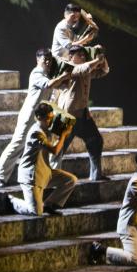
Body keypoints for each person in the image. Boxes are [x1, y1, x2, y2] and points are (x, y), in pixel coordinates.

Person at [0, 49, 74, 187]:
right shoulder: (36, 73)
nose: (48, 62)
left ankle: (49, 178)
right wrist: (63, 76)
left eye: (50, 59)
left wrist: (66, 77)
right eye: (45, 59)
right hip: (29, 116)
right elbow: (49, 84)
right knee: (18, 143)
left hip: (42, 118)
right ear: (38, 60)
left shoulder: (49, 75)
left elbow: (61, 85)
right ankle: (1, 176)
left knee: (47, 147)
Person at [50, 44, 110, 181]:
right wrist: (97, 60)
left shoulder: (85, 68)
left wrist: (101, 55)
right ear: (71, 56)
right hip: (67, 116)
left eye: (84, 54)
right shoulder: (67, 67)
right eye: (80, 55)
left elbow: (104, 71)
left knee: (95, 141)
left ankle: (96, 175)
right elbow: (84, 69)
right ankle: (48, 178)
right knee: (58, 149)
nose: (83, 56)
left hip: (82, 115)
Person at [8, 101, 78, 216]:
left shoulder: (46, 129)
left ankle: (48, 205)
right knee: (36, 212)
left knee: (71, 180)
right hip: (31, 177)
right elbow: (54, 151)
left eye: (51, 118)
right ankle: (12, 201)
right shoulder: (36, 133)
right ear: (39, 117)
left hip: (44, 173)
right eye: (47, 119)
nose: (49, 121)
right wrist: (63, 135)